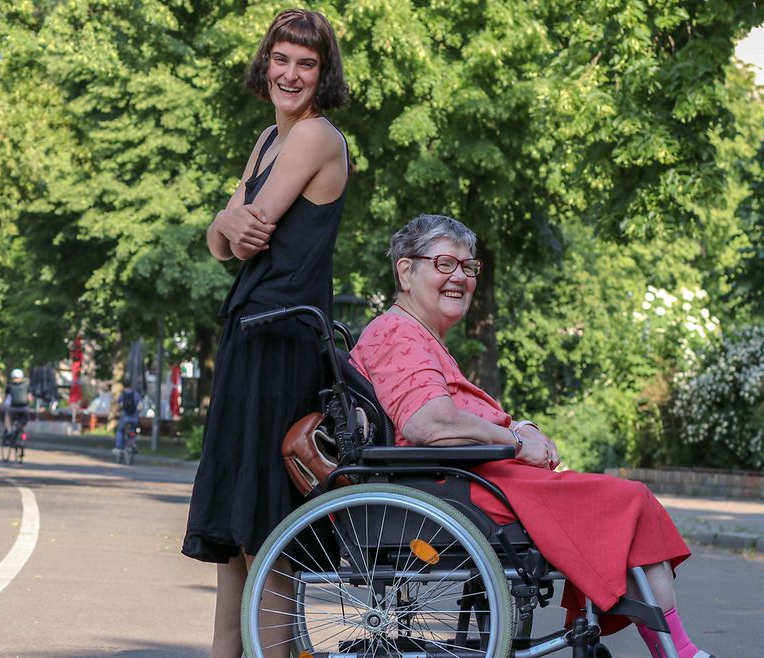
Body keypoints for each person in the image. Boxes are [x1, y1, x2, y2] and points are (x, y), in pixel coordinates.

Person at [350, 213, 711, 658]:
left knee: (626, 503)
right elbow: (429, 423)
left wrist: (516, 427)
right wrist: (517, 442)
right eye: (445, 264)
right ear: (406, 271)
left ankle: (675, 648)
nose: (460, 277)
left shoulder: (418, 337)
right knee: (628, 500)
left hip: (468, 480)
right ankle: (677, 650)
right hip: (456, 487)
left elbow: (447, 416)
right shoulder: (396, 333)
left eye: (468, 267)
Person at [180, 8, 350, 657]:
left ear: (322, 72)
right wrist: (228, 219)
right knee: (233, 543)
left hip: (282, 344)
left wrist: (229, 219)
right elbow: (221, 242)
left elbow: (248, 232)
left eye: (306, 63)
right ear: (266, 62)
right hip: (250, 334)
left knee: (265, 538)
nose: (291, 73)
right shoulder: (267, 140)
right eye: (282, 58)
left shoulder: (314, 137)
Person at [112, 385, 142, 459]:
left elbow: (118, 406)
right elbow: (140, 407)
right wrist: (137, 413)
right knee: (132, 431)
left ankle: (118, 447)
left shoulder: (122, 395)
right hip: (134, 418)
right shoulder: (136, 395)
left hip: (124, 418)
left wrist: (116, 413)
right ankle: (133, 444)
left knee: (120, 431)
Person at [3, 368, 33, 434]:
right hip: (25, 408)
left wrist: (1, 407)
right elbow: (30, 398)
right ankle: (23, 436)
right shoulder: (26, 385)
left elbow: (5, 398)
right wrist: (30, 405)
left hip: (13, 408)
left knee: (7, 415)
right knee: (23, 423)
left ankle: (9, 430)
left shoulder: (9, 386)